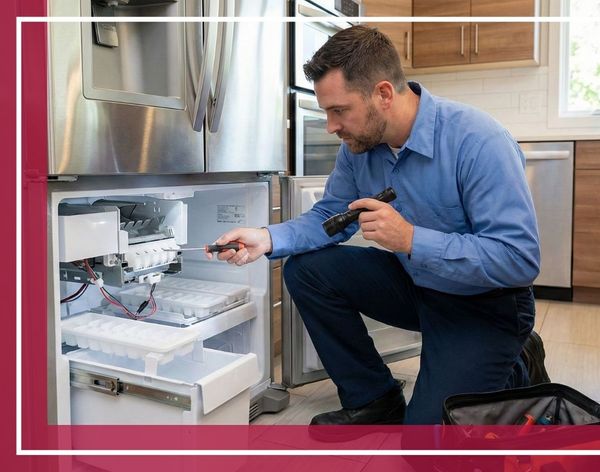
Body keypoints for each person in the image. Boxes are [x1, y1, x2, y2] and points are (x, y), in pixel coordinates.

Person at [206, 25, 550, 425]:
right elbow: (329, 217)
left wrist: (410, 239)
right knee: (307, 269)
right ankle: (374, 398)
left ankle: (515, 362)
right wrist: (266, 238)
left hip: (486, 304)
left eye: (339, 110)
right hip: (419, 287)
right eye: (326, 112)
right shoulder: (359, 148)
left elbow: (519, 259)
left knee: (424, 446)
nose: (332, 125)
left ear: (383, 94)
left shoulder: (478, 141)